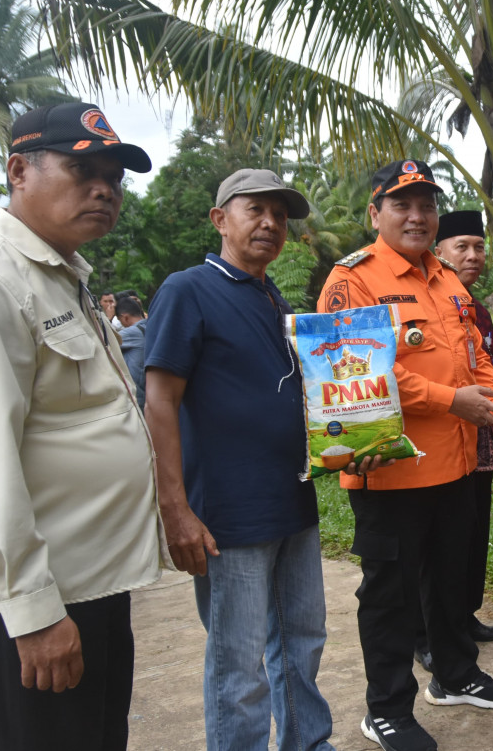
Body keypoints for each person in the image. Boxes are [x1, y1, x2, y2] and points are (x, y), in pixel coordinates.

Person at [0, 102, 161, 750]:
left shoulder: (61, 278)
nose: (103, 189)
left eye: (114, 177)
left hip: (91, 587)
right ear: (17, 171)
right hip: (37, 600)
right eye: (82, 168)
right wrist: (32, 613)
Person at [318, 159, 493, 751]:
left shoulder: (446, 277)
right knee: (391, 594)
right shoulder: (351, 280)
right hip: (390, 470)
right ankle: (386, 709)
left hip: (456, 464)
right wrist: (452, 401)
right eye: (403, 204)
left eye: (427, 205)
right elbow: (356, 371)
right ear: (374, 213)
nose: (417, 216)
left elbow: (478, 355)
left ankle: (455, 675)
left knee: (450, 579)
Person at [142, 168, 336, 751]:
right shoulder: (188, 289)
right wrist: (174, 508)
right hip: (228, 514)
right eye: (256, 209)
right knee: (238, 662)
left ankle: (307, 742)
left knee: (302, 641)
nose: (271, 223)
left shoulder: (272, 297)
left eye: (280, 215)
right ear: (220, 219)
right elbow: (159, 400)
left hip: (292, 504)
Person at [415, 210, 493, 674]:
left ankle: (463, 617)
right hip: (438, 433)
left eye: (478, 246)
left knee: (471, 532)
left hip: (478, 436)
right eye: (462, 247)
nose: (472, 256)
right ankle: (427, 635)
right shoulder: (425, 301)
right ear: (440, 252)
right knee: (432, 545)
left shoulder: (473, 305)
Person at [115, 296, 147, 408]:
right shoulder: (152, 325)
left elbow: (105, 341)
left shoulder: (131, 333)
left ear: (125, 317)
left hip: (138, 397)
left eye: (120, 320)